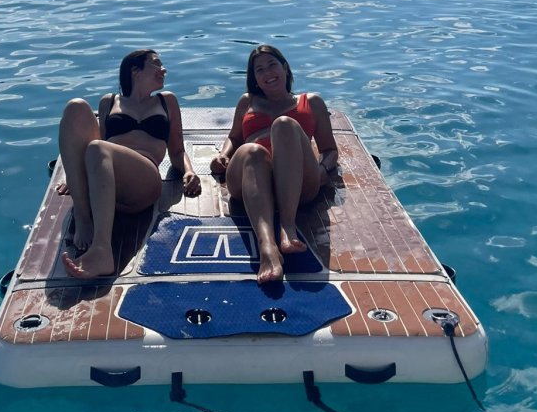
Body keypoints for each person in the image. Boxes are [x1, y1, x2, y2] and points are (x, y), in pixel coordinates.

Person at [58, 49, 200, 279]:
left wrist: (189, 171)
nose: (163, 69)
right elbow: (96, 144)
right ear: (135, 71)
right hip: (107, 176)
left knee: (98, 148)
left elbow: (177, 151)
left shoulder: (166, 101)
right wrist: (74, 175)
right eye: (156, 64)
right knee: (76, 107)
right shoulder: (109, 102)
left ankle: (102, 250)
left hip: (143, 181)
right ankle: (84, 217)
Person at [210, 45, 338, 285]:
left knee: (284, 124)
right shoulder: (247, 101)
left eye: (272, 65)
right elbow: (235, 138)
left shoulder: (311, 102)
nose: (267, 72)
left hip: (298, 182)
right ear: (255, 79)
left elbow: (330, 150)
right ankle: (267, 247)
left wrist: (323, 170)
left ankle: (287, 227)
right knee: (252, 150)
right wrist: (224, 155)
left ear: (285, 68)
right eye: (259, 70)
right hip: (253, 179)